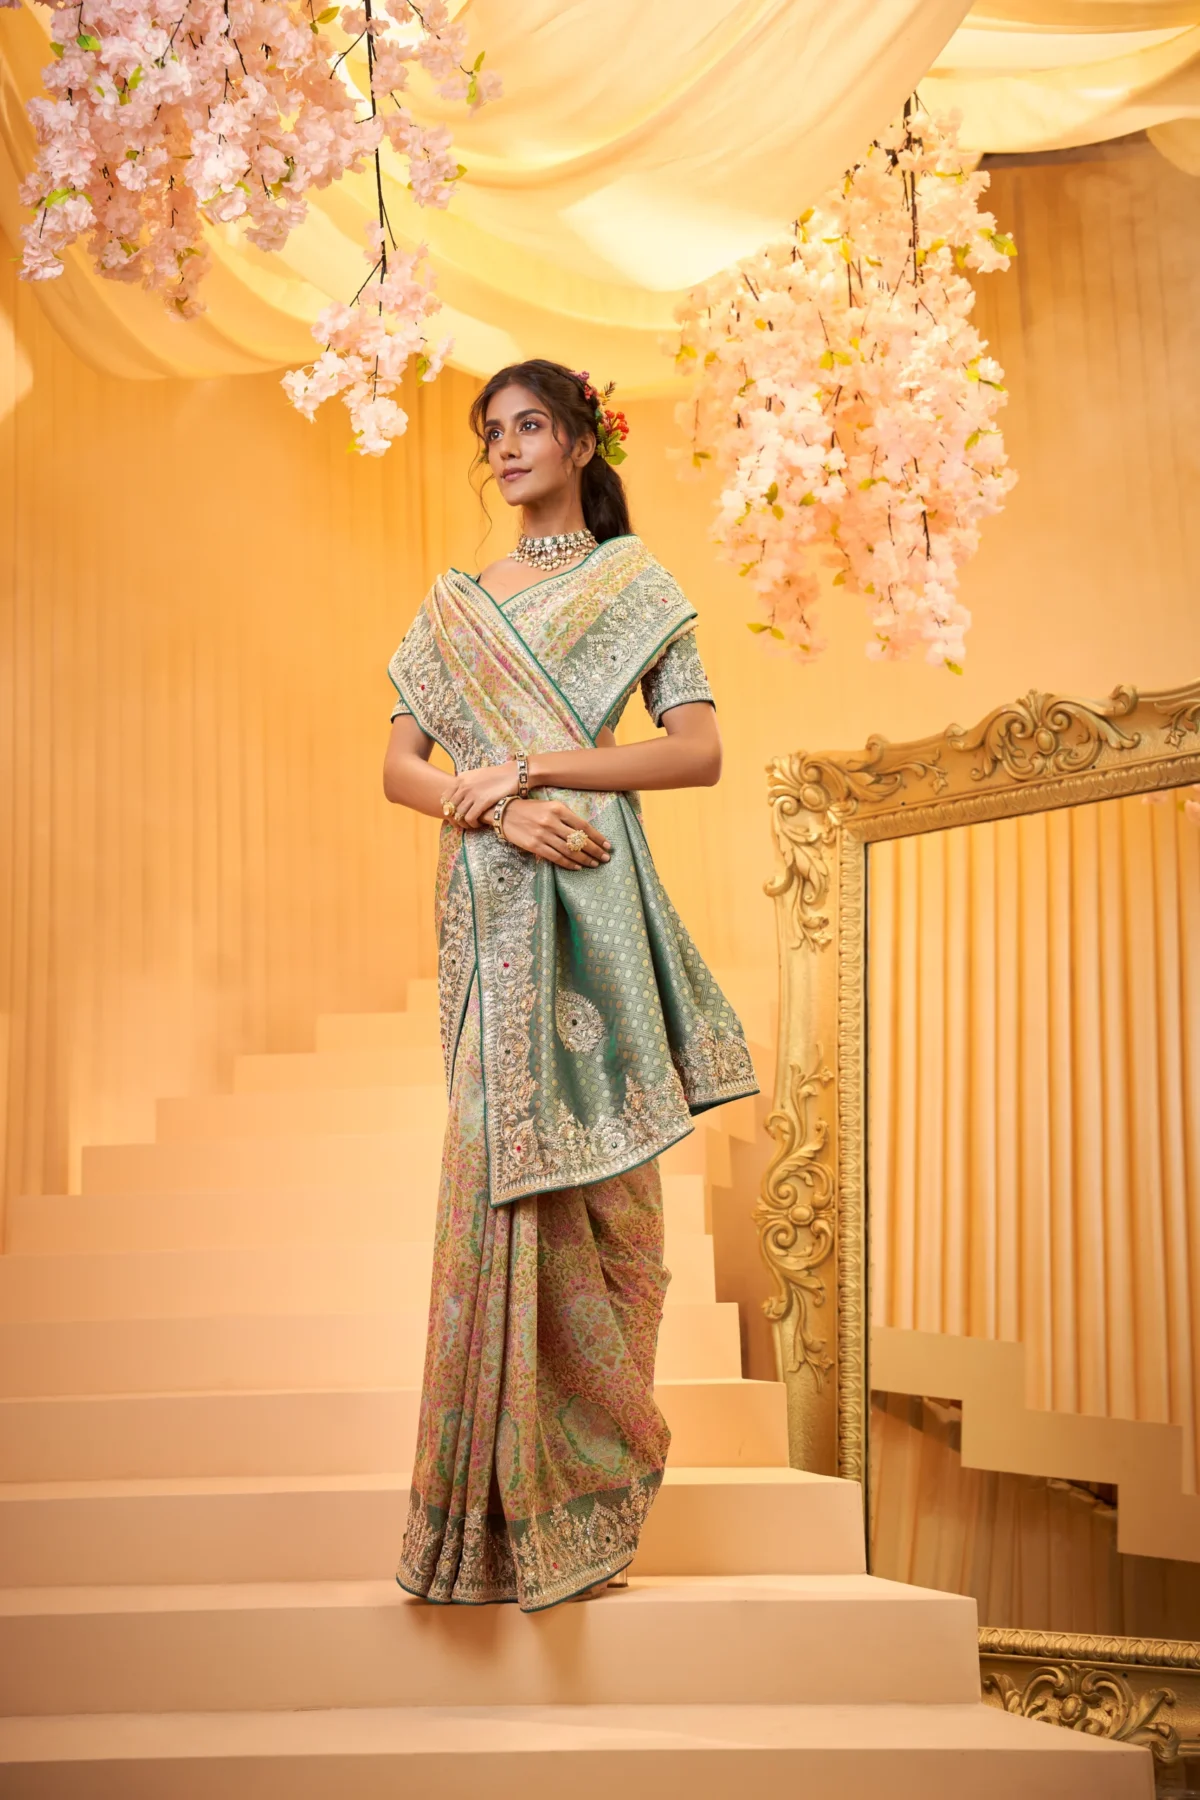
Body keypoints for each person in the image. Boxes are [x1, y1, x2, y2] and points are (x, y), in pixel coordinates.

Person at [382, 357, 758, 1611]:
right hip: (488, 913)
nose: (504, 448)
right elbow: (400, 770)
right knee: (498, 1175)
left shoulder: (635, 583)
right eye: (490, 432)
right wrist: (490, 811)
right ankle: (486, 1521)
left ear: (583, 440)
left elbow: (697, 750)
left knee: (610, 1207)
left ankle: (598, 1476)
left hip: (594, 901)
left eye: (528, 425)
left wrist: (539, 773)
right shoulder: (452, 605)